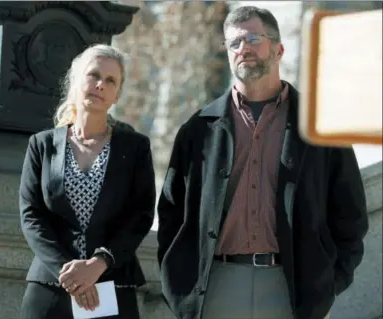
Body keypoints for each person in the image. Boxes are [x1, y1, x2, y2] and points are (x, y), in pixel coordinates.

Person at [157, 6, 368, 319]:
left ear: (279, 49)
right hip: (215, 288)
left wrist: (327, 283)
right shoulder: (199, 128)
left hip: (291, 290)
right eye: (234, 43)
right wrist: (177, 280)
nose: (243, 49)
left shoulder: (319, 123)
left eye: (253, 39)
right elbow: (172, 214)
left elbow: (350, 215)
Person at [19, 44, 156, 319]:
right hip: (50, 286)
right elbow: (31, 215)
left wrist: (98, 263)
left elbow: (140, 215)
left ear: (117, 95)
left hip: (111, 283)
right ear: (76, 81)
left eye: (110, 81)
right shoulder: (41, 145)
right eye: (93, 75)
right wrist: (70, 273)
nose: (100, 85)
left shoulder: (135, 147)